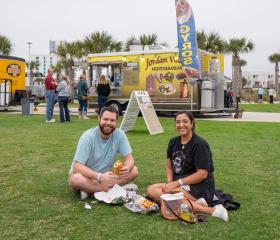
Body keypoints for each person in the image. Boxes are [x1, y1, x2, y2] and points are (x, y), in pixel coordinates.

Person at [147, 111, 228, 222]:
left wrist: (176, 184)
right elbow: (169, 167)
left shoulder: (199, 144)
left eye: (185, 121)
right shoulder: (173, 142)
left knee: (170, 196)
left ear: (192, 123)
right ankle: (194, 204)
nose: (181, 125)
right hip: (179, 186)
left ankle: (212, 210)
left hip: (199, 186)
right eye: (178, 122)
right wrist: (170, 182)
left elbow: (202, 174)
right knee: (151, 189)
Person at [68, 106, 138, 200]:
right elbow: (77, 166)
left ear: (116, 122)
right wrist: (100, 177)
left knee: (134, 170)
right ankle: (109, 188)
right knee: (75, 179)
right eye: (105, 119)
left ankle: (90, 190)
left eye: (112, 120)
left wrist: (127, 167)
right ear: (99, 119)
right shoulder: (87, 137)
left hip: (108, 175)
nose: (108, 123)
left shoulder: (119, 134)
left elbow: (129, 158)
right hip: (89, 176)